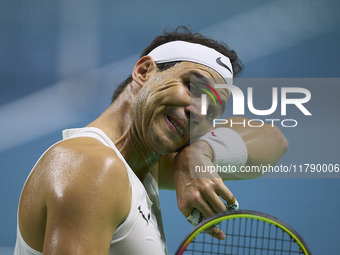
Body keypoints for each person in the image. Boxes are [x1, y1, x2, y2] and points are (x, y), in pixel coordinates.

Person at [14, 26, 288, 255]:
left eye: (212, 111)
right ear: (144, 71)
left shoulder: (144, 164)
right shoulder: (95, 167)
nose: (198, 112)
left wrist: (197, 154)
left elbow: (274, 140)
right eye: (191, 86)